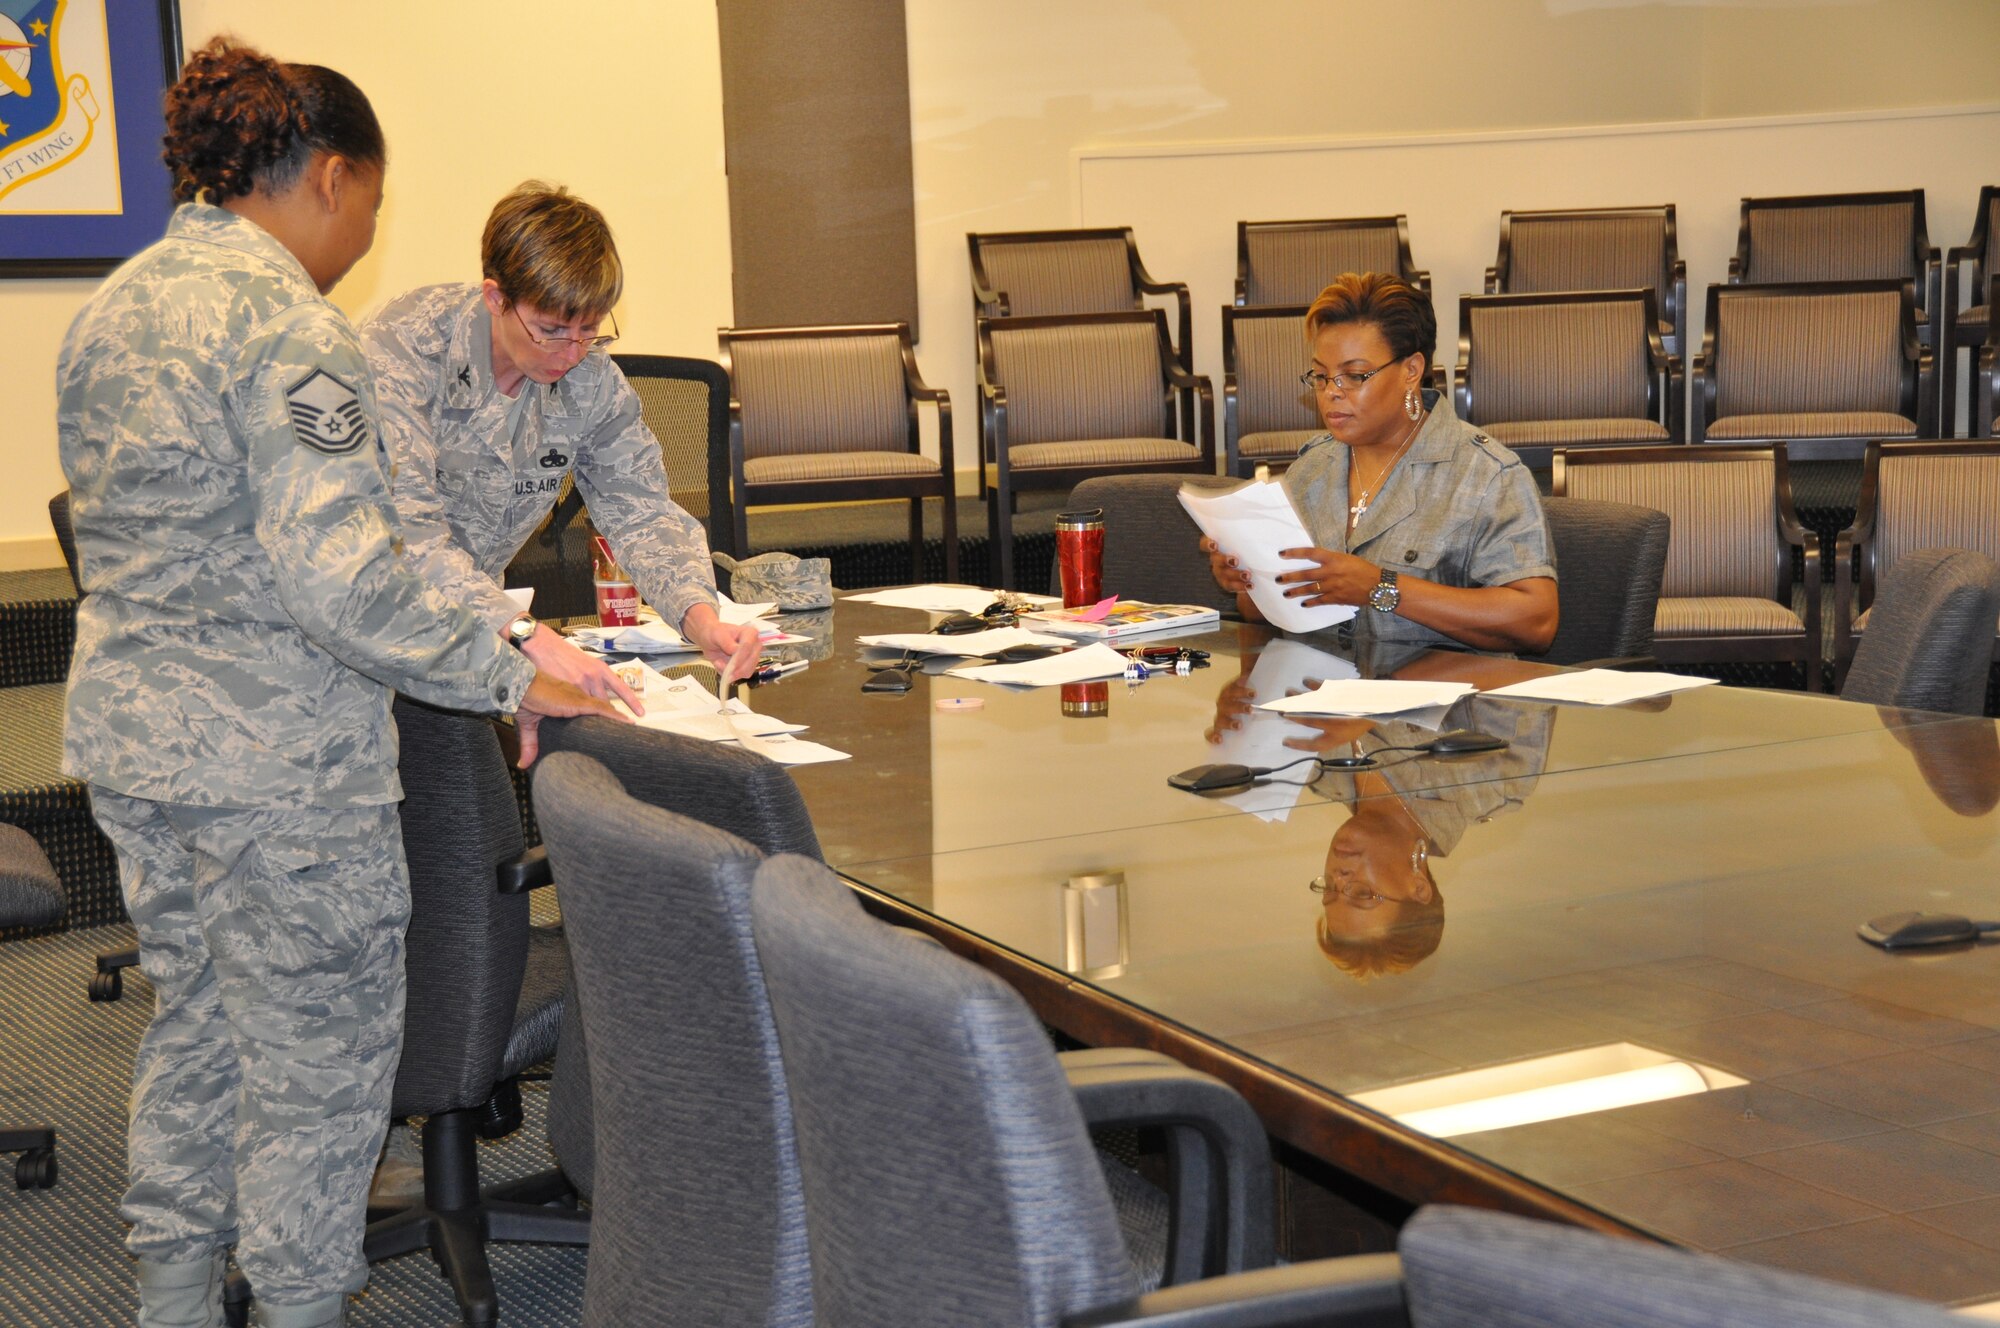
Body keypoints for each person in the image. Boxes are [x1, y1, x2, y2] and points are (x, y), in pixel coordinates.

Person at [57, 40, 615, 1328]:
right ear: (329, 174)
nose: (366, 228)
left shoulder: (113, 309)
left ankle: (177, 1303)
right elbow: (345, 580)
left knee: (195, 1027)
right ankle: (303, 1305)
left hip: (141, 748)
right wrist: (509, 675)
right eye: (369, 196)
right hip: (276, 770)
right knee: (317, 1069)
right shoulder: (292, 332)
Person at [362, 182, 761, 709]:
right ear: (496, 297)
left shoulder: (589, 377)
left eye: (590, 330)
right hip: (362, 634)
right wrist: (528, 635)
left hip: (469, 635)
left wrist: (700, 617)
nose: (572, 352)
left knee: (487, 786)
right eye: (551, 330)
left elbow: (639, 510)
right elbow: (404, 538)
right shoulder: (401, 352)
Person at [1203, 272, 1559, 654]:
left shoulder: (1485, 474)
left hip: (1444, 704)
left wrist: (1381, 587)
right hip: (1319, 699)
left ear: (1411, 370)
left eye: (1354, 376)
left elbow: (1535, 620)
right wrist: (1249, 580)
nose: (1331, 394)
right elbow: (1267, 613)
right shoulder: (1311, 468)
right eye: (1321, 377)